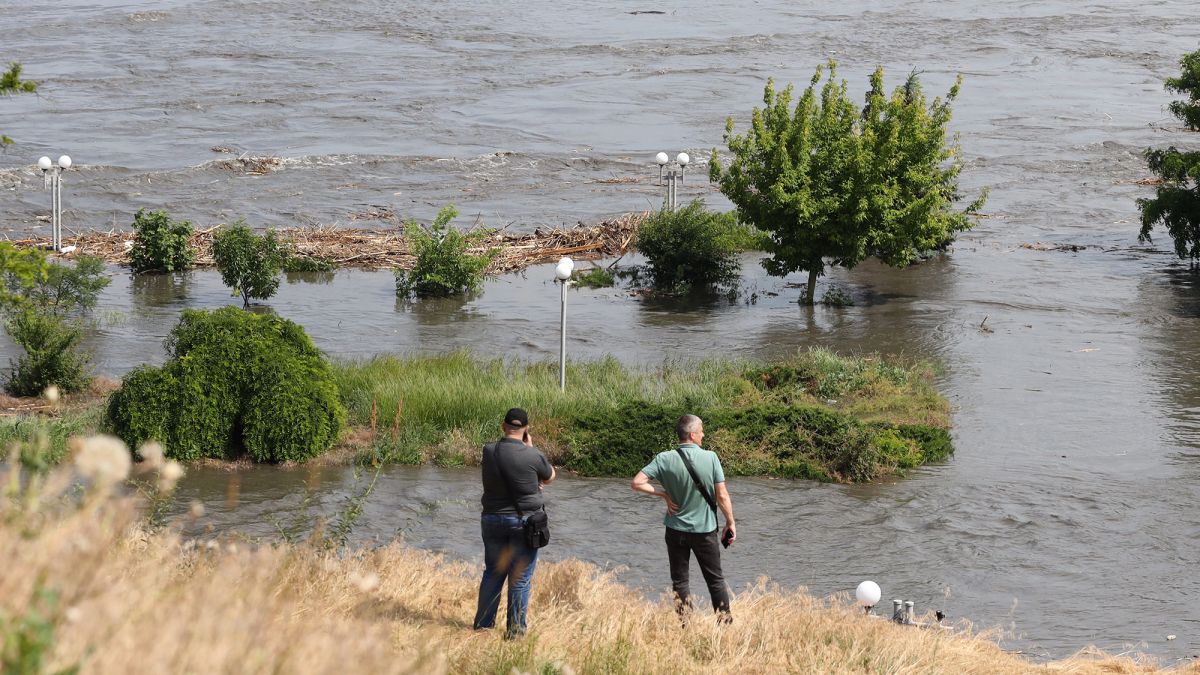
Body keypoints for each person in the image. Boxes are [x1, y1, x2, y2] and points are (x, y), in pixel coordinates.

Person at [631, 414, 735, 620]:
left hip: (675, 529)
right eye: (702, 430)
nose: (704, 434)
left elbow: (637, 483)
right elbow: (722, 495)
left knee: (680, 582)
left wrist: (663, 494)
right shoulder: (711, 457)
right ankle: (724, 627)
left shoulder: (664, 458)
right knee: (715, 580)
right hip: (704, 531)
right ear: (692, 434)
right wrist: (730, 522)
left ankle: (686, 627)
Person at [473, 407, 556, 638]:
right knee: (519, 579)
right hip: (524, 522)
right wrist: (530, 450)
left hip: (491, 519)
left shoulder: (488, 451)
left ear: (503, 426)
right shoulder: (533, 454)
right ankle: (515, 633)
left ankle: (482, 627)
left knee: (492, 573)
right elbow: (550, 477)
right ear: (526, 429)